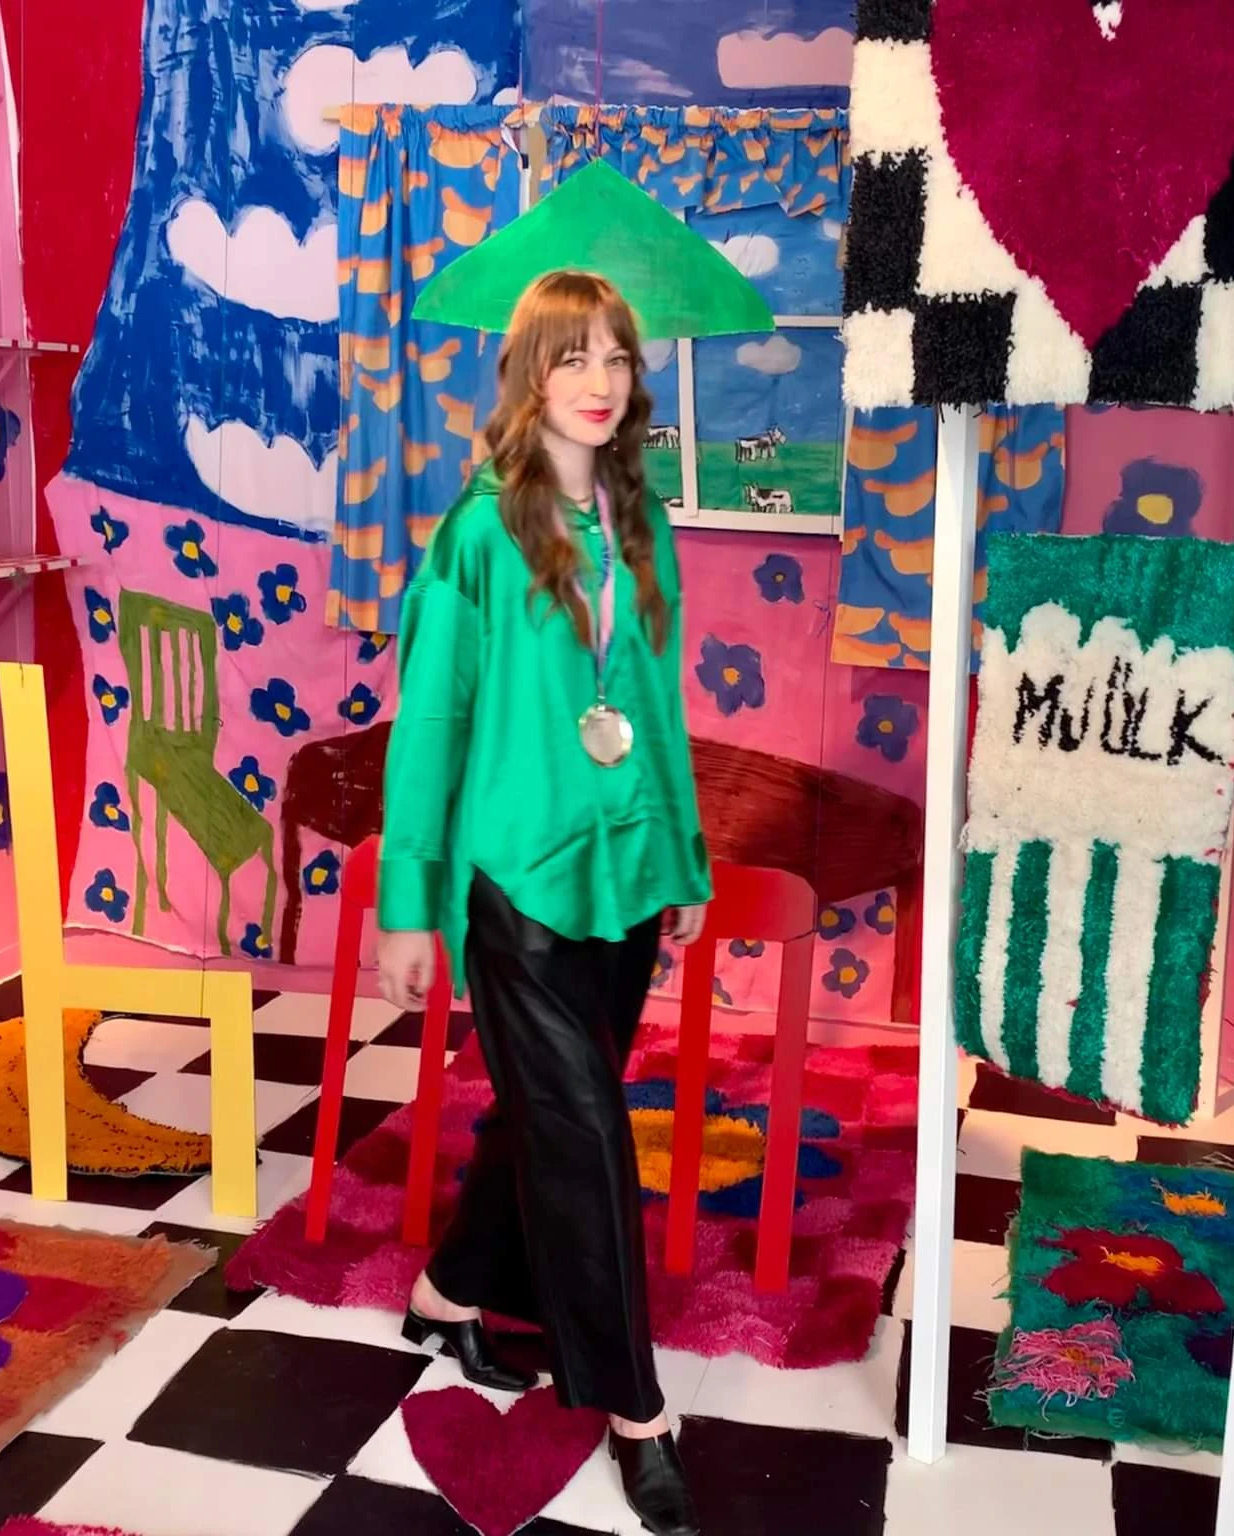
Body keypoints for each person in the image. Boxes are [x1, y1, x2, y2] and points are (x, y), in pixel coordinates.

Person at [375, 268, 712, 1536]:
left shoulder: (640, 520)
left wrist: (682, 862)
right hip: (516, 878)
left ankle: (451, 1291)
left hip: (623, 871)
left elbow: (657, 705)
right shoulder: (477, 533)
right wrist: (409, 903)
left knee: (544, 1113)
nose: (597, 382)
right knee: (583, 1134)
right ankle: (636, 1411)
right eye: (571, 357)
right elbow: (430, 725)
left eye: (615, 358)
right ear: (529, 375)